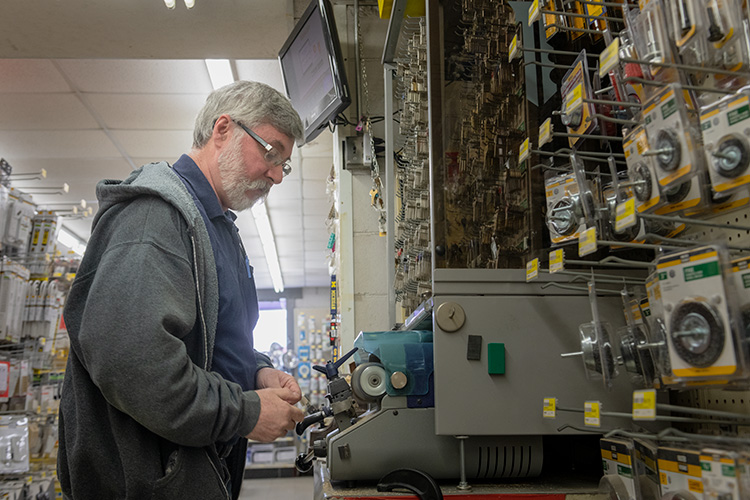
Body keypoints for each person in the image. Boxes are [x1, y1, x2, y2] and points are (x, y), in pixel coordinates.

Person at [57, 81, 306, 500]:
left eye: (285, 164)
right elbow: (136, 366)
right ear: (223, 129)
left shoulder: (217, 227)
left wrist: (255, 369)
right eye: (271, 153)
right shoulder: (155, 220)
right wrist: (244, 412)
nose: (277, 175)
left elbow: (212, 339)